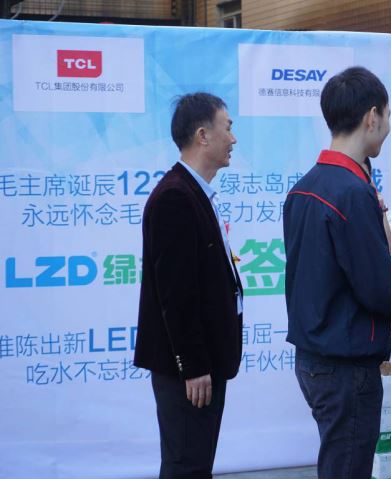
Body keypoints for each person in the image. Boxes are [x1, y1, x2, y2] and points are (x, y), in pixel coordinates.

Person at [283, 66, 391, 479]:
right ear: (372, 116)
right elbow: (380, 287)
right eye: (389, 115)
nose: (389, 127)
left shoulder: (305, 187)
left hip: (316, 360)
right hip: (345, 369)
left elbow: (336, 284)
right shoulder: (351, 191)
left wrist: (388, 325)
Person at [134, 92, 244, 479]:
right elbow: (176, 295)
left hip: (205, 363)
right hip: (189, 372)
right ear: (202, 135)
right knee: (186, 466)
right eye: (227, 128)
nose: (233, 138)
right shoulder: (175, 198)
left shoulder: (194, 192)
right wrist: (193, 366)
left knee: (194, 464)